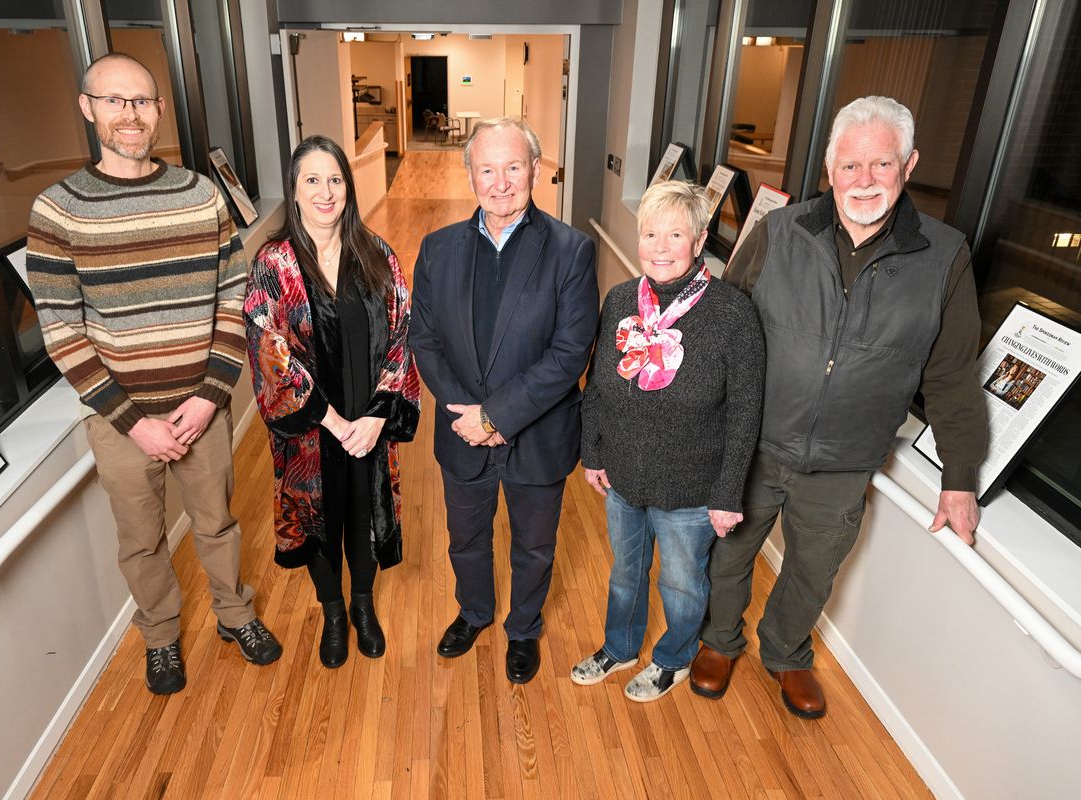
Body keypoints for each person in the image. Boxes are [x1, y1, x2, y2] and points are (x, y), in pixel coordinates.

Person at [692, 96, 988, 718]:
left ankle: (786, 653)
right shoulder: (780, 230)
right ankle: (719, 641)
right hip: (754, 443)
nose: (864, 180)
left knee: (813, 570)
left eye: (881, 165)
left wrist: (960, 480)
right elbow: (721, 328)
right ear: (829, 167)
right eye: (850, 166)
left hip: (845, 459)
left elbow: (955, 377)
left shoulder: (944, 257)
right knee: (729, 554)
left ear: (908, 165)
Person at [26, 53, 280, 696]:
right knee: (140, 540)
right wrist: (135, 423)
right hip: (122, 423)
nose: (130, 115)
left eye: (142, 101)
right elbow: (62, 332)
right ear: (88, 108)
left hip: (203, 408)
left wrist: (209, 398)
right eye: (115, 101)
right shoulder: (58, 211)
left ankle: (235, 613)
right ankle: (161, 636)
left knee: (217, 522)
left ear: (160, 110)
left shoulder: (201, 195)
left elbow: (234, 298)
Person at [410, 117, 599, 684]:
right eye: (487, 168)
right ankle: (474, 613)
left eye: (513, 167)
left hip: (537, 436)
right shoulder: (437, 249)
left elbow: (570, 354)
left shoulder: (571, 251)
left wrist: (498, 416)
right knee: (466, 538)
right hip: (461, 430)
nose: (500, 181)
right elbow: (424, 339)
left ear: (535, 171)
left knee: (533, 545)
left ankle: (523, 628)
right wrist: (471, 417)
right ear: (469, 174)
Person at [571, 181, 764, 702]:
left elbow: (746, 413)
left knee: (681, 585)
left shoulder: (732, 314)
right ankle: (620, 647)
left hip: (692, 488)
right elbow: (599, 385)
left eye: (675, 234)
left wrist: (727, 495)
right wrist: (593, 453)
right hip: (624, 476)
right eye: (651, 233)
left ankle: (674, 658)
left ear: (700, 240)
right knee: (625, 574)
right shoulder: (618, 301)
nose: (660, 246)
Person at [244, 135, 420, 669]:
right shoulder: (274, 263)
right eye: (312, 180)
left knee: (365, 513)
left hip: (367, 421)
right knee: (321, 519)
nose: (326, 192)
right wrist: (330, 418)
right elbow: (266, 346)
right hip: (311, 428)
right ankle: (335, 612)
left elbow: (402, 333)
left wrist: (375, 415)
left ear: (349, 187)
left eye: (335, 179)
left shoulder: (377, 254)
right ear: (294, 191)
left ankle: (364, 606)